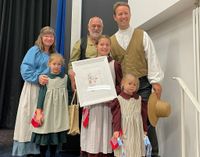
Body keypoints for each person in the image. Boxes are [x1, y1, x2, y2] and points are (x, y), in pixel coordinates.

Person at [110, 2, 164, 157]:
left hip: (144, 86)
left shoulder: (142, 34)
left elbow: (151, 57)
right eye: (120, 14)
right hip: (123, 90)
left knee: (146, 121)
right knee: (125, 124)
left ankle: (152, 153)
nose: (123, 16)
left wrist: (155, 81)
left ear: (130, 14)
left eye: (125, 13)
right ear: (115, 17)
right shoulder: (112, 41)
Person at [12, 26, 56, 157]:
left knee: (42, 120)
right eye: (46, 36)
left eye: (51, 36)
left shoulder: (53, 54)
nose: (49, 38)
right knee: (29, 117)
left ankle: (38, 149)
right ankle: (27, 149)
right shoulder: (34, 50)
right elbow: (25, 68)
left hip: (46, 90)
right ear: (41, 38)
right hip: (33, 88)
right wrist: (37, 77)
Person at [80, 35, 122, 157]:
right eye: (101, 44)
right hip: (92, 105)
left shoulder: (115, 64)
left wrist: (110, 92)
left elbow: (120, 85)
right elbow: (84, 84)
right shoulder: (88, 64)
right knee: (92, 133)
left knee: (104, 133)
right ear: (96, 46)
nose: (104, 47)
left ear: (110, 47)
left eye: (107, 45)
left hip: (107, 107)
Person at [31, 53, 69, 157]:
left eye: (59, 64)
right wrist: (39, 110)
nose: (56, 66)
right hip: (47, 110)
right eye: (54, 64)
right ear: (49, 64)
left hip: (59, 111)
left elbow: (69, 93)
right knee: (45, 131)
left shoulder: (65, 78)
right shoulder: (46, 78)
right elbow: (41, 95)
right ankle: (42, 154)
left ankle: (53, 154)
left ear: (62, 65)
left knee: (55, 133)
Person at [111, 74, 145, 157]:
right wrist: (116, 130)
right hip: (125, 129)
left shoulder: (139, 99)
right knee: (126, 148)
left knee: (136, 148)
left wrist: (145, 128)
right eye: (129, 83)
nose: (132, 86)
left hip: (137, 130)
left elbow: (144, 116)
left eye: (134, 84)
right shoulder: (119, 99)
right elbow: (116, 117)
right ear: (123, 84)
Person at [68, 16, 104, 91]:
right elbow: (72, 64)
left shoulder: (107, 42)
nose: (96, 28)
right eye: (93, 26)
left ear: (102, 28)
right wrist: (72, 79)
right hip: (85, 83)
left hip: (103, 82)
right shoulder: (81, 43)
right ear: (88, 27)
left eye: (99, 26)